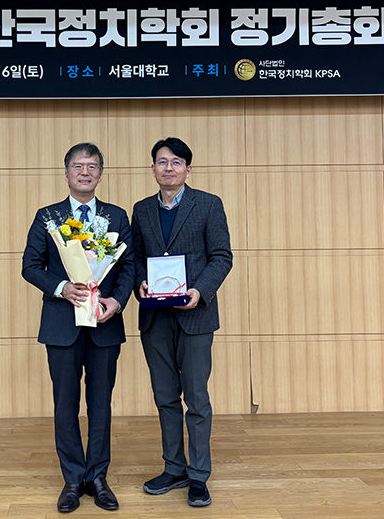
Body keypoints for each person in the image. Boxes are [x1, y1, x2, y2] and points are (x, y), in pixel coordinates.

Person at [22, 142, 134, 513]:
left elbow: (129, 266)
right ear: (67, 172)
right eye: (78, 166)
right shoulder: (47, 217)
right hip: (61, 324)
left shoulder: (117, 216)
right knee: (65, 403)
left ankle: (97, 477)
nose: (85, 172)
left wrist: (117, 301)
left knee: (101, 404)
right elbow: (30, 266)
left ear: (100, 174)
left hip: (104, 323)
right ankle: (72, 479)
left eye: (92, 166)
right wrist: (61, 287)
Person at [130, 137, 233, 507]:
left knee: (197, 398)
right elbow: (136, 258)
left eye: (176, 162)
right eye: (162, 161)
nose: (168, 168)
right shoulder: (142, 209)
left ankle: (198, 474)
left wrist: (199, 291)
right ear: (153, 169)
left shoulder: (208, 204)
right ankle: (173, 468)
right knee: (164, 397)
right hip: (155, 317)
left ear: (188, 169)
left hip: (196, 315)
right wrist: (141, 281)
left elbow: (222, 256)